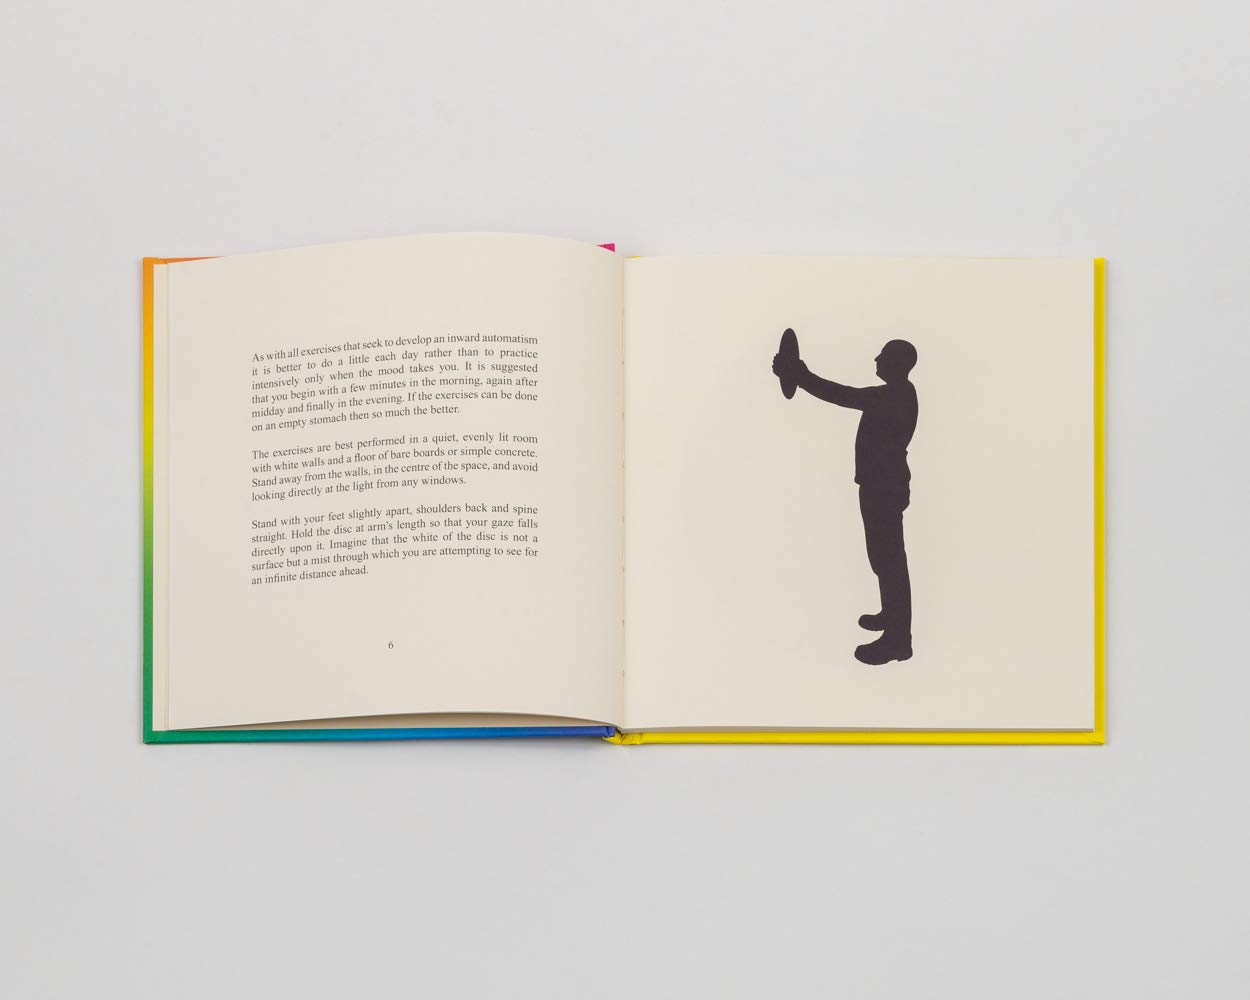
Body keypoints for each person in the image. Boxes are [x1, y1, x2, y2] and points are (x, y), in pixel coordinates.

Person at [772, 339, 919, 664]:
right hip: (882, 485)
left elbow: (843, 395)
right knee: (883, 558)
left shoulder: (892, 396)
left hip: (883, 487)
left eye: (884, 355)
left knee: (889, 560)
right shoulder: (900, 394)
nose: (876, 358)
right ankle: (892, 617)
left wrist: (801, 375)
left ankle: (898, 640)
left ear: (896, 364)